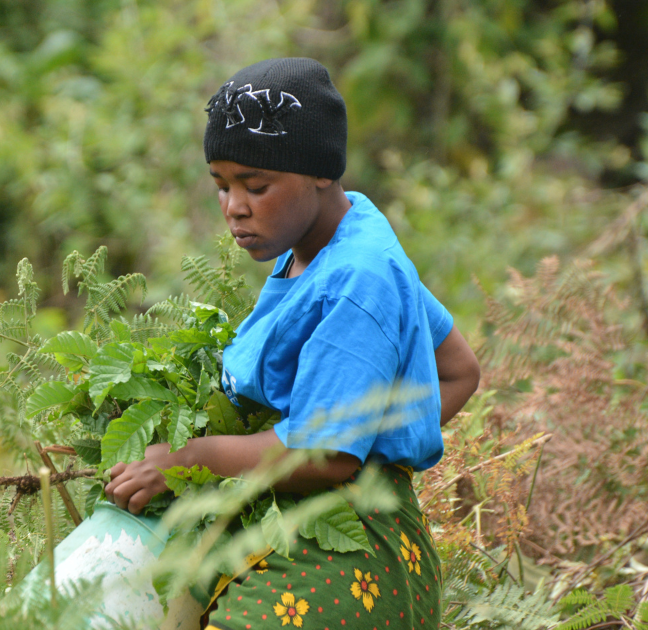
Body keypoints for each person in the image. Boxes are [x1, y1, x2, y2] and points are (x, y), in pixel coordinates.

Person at [104, 57, 480, 630]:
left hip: (345, 563)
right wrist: (373, 433)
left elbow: (324, 457)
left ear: (320, 172)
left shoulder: (359, 279)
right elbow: (457, 370)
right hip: (309, 525)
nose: (234, 206)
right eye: (222, 185)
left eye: (256, 185)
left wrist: (190, 458)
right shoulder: (328, 246)